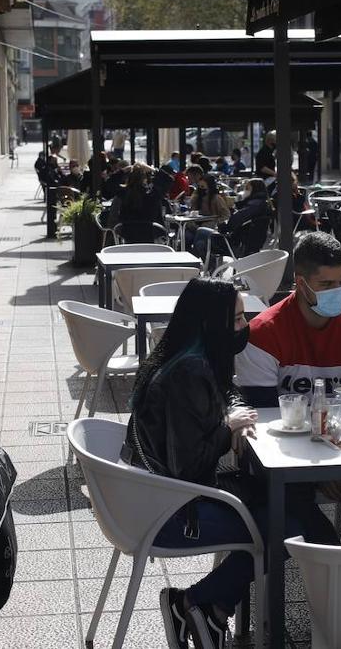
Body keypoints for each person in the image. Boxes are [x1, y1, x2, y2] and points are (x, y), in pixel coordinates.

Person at [127, 278, 309, 648]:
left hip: (147, 498)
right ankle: (194, 601)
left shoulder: (182, 354)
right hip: (170, 515)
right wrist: (228, 430)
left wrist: (236, 411)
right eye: (238, 319)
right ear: (211, 323)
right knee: (288, 529)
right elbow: (188, 464)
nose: (245, 327)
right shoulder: (189, 372)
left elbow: (227, 391)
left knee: (280, 508)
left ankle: (208, 609)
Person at [236, 233, 341, 549]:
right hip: (283, 453)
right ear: (301, 283)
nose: (339, 292)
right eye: (326, 285)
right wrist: (321, 470)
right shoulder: (262, 335)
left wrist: (337, 461)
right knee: (301, 512)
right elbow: (267, 421)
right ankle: (325, 557)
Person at [109, 163, 167, 241]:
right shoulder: (152, 194)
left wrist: (124, 170)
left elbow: (109, 183)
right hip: (151, 235)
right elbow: (168, 180)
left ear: (128, 178)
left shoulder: (124, 193)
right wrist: (151, 169)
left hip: (128, 235)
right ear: (145, 179)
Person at [187, 172, 232, 261]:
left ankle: (193, 261)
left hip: (210, 227)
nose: (201, 190)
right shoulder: (198, 197)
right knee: (186, 237)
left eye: (203, 187)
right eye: (199, 187)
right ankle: (185, 258)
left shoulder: (216, 198)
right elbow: (192, 212)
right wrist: (194, 197)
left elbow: (226, 215)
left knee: (200, 242)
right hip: (197, 225)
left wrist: (214, 223)